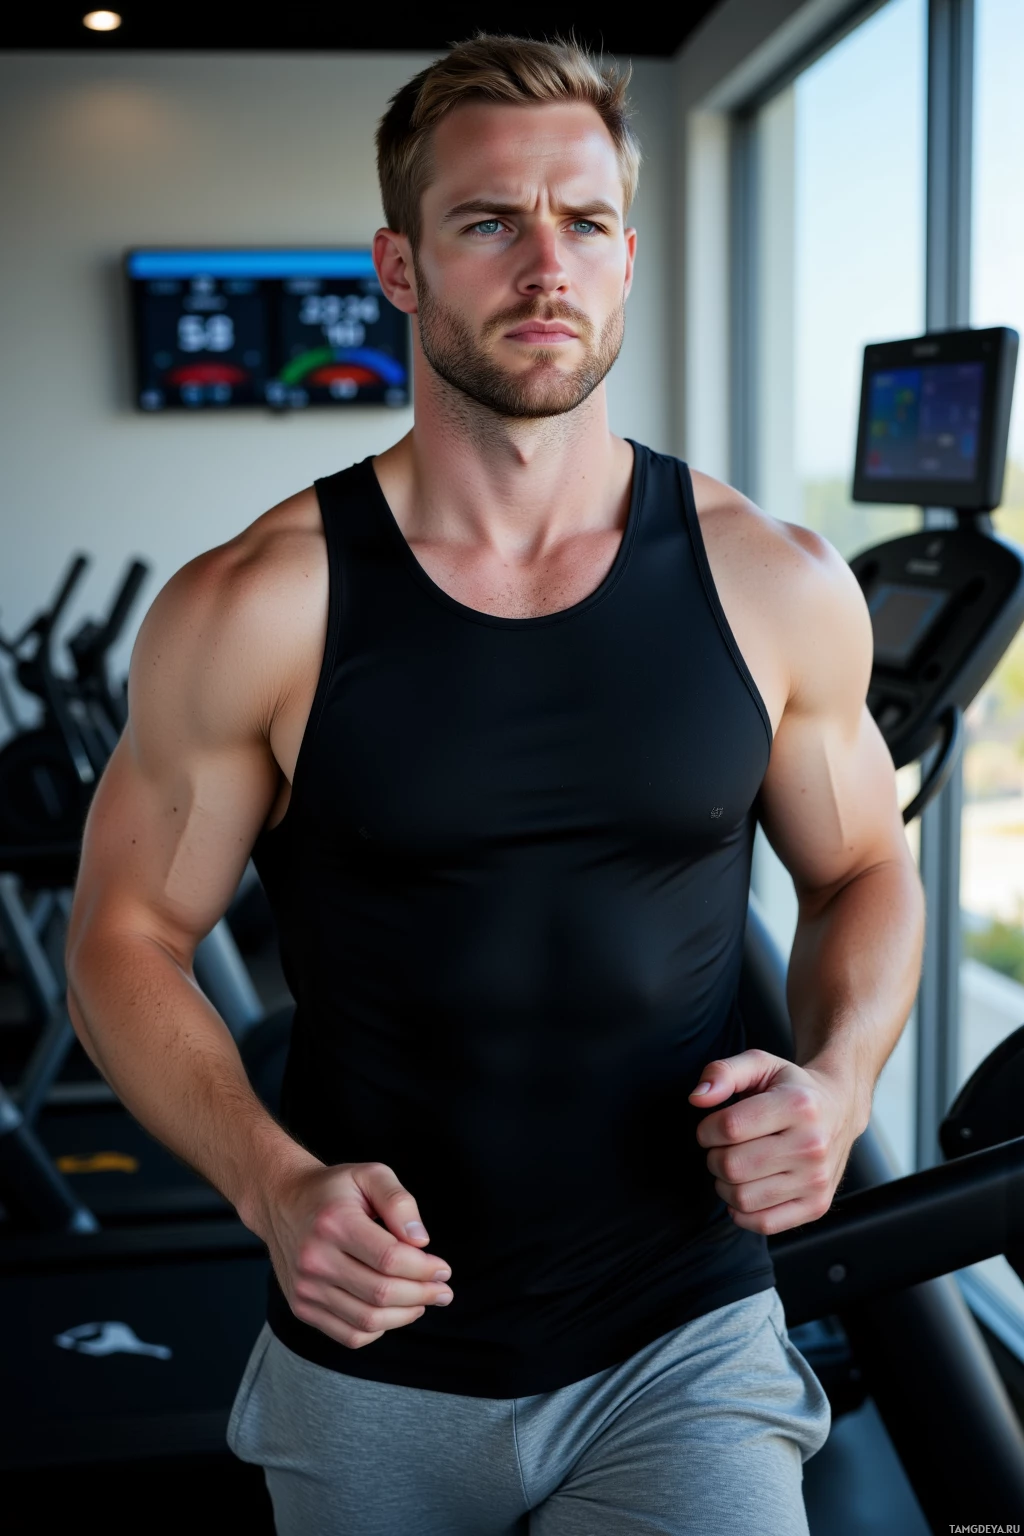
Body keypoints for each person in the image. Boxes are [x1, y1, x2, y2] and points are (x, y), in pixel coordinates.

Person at [65, 33, 925, 1536]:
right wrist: (271, 1188)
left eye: (584, 222)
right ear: (399, 267)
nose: (547, 265)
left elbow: (866, 872)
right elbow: (121, 940)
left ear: (628, 255)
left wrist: (841, 1085)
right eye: (489, 221)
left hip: (683, 1340)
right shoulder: (257, 604)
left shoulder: (774, 582)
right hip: (374, 1351)